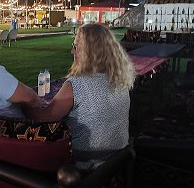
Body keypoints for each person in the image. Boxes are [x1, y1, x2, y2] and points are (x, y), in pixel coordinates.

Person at [26, 23, 135, 172]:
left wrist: (25, 102)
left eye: (76, 46)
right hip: (117, 162)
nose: (72, 51)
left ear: (91, 52)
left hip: (86, 168)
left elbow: (43, 119)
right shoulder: (120, 79)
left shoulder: (77, 84)